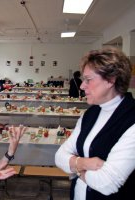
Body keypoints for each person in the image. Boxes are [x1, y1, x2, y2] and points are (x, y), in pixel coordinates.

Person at [55, 48, 135, 200]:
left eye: (88, 79)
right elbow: (59, 157)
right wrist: (84, 163)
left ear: (111, 80)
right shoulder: (90, 114)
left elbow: (107, 183)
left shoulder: (131, 119)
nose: (82, 86)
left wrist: (75, 167)